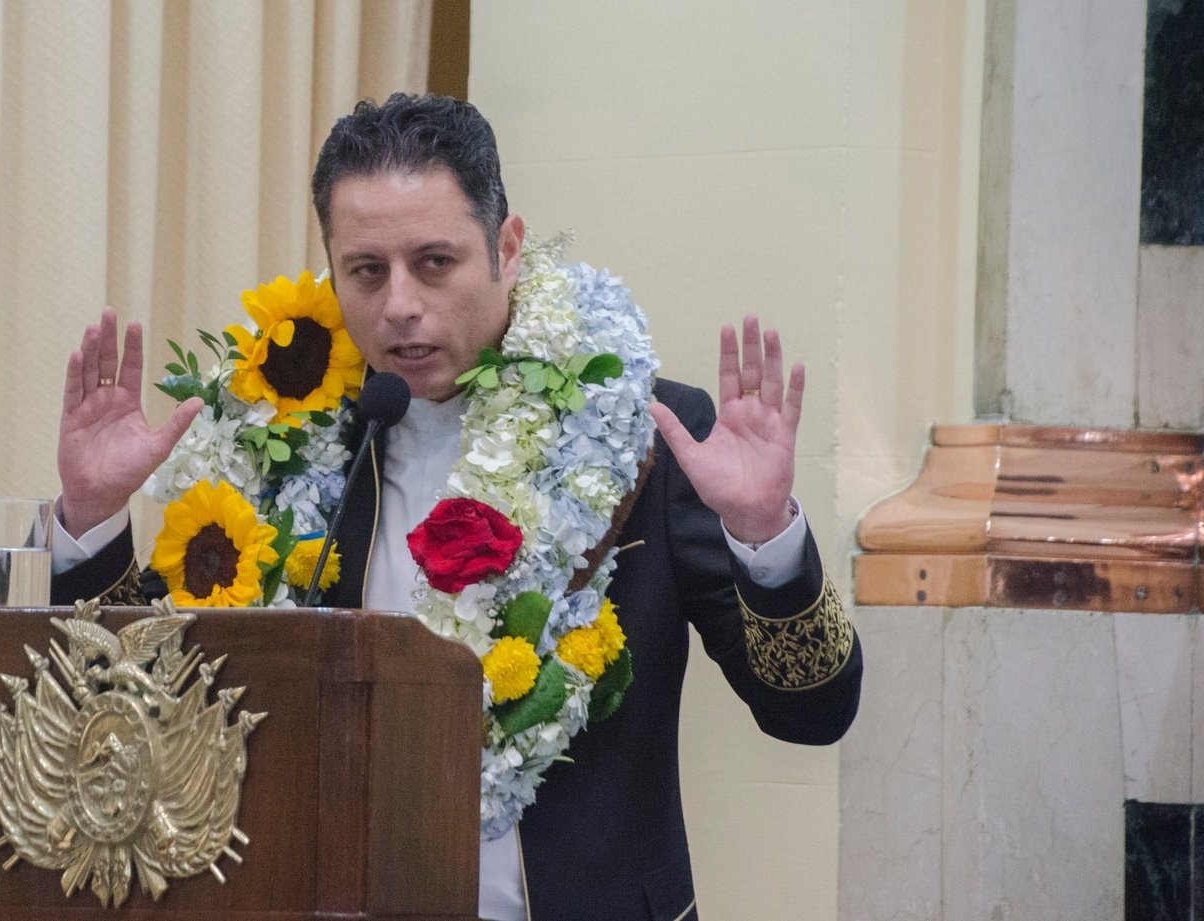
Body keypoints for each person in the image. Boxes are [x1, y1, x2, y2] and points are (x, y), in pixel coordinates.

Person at [49, 93, 861, 921]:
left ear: (506, 247)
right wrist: (94, 518)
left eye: (435, 262)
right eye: (367, 271)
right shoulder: (288, 446)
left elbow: (813, 710)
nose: (400, 303)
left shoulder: (645, 437)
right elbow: (137, 709)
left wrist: (763, 535)